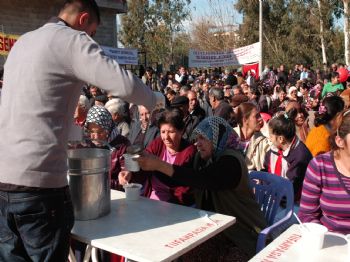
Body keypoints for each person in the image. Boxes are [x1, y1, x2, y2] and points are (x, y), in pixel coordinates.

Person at [0, 1, 157, 261]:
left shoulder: (24, 42)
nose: (91, 39)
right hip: (39, 189)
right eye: (93, 32)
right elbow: (125, 85)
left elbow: (38, 107)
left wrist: (73, 138)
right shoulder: (71, 41)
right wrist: (154, 99)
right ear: (83, 20)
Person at [129, 116, 267, 258]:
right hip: (215, 228)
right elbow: (178, 179)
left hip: (241, 231)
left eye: (203, 138)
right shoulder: (203, 158)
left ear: (217, 137)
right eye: (197, 138)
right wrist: (147, 165)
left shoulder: (231, 161)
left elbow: (203, 179)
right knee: (176, 251)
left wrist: (159, 164)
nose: (198, 144)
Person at [119, 109, 197, 205]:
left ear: (181, 131)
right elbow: (144, 161)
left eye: (171, 132)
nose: (166, 137)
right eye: (163, 132)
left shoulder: (189, 151)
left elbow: (183, 186)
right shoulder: (158, 143)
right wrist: (129, 172)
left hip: (176, 204)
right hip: (153, 196)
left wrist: (158, 165)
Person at [299, 110, 350, 234]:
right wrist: (323, 237)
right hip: (331, 243)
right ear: (340, 141)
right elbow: (307, 215)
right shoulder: (320, 166)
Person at [264, 111, 313, 201]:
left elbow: (292, 186)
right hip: (274, 194)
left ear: (280, 139)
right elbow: (266, 168)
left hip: (293, 200)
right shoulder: (274, 149)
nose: (269, 138)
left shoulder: (300, 156)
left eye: (271, 135)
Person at [234, 102, 270, 171]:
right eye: (256, 116)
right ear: (245, 120)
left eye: (260, 115)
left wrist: (267, 131)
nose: (260, 119)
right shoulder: (232, 135)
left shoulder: (262, 140)